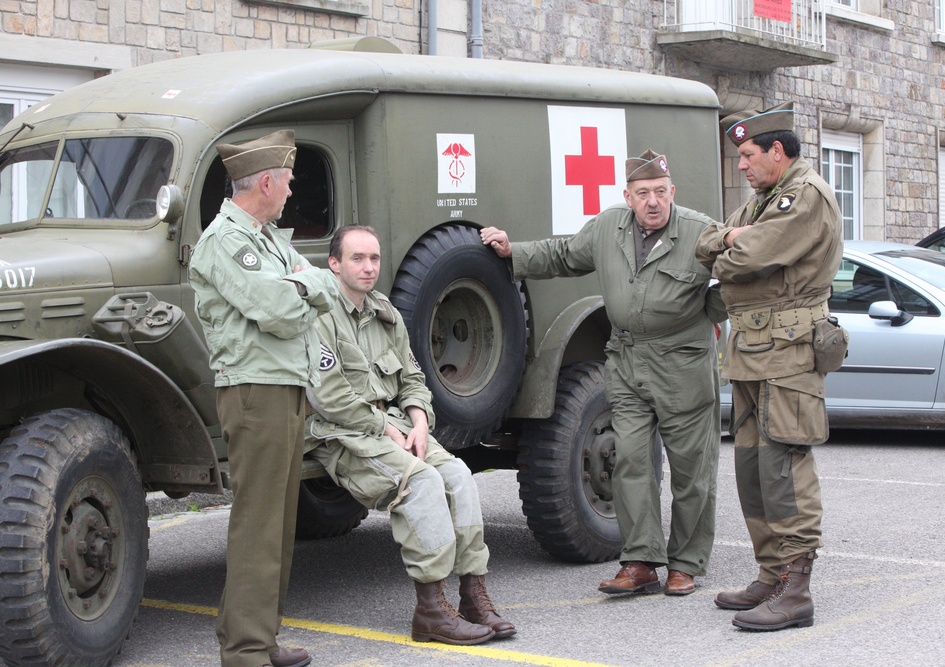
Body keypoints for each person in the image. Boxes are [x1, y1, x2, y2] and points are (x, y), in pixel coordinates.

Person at [481, 150, 725, 597]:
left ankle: (686, 562)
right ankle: (641, 560)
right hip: (628, 360)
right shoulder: (608, 226)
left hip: (683, 363)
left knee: (693, 469)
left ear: (673, 192)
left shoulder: (700, 231)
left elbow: (736, 278)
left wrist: (710, 309)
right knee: (630, 460)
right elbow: (564, 255)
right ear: (627, 196)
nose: (652, 202)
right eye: (642, 193)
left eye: (660, 193)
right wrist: (512, 252)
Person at [304, 224, 516, 645]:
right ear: (334, 264)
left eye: (374, 259)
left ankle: (473, 595)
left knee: (456, 475)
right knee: (420, 484)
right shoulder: (319, 316)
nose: (368, 268)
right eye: (357, 259)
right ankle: (431, 609)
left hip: (398, 426)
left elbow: (414, 377)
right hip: (344, 434)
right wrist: (384, 425)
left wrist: (419, 419)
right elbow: (327, 396)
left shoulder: (384, 313)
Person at [190, 129, 341, 667]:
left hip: (282, 387)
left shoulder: (267, 236)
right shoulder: (227, 240)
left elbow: (316, 282)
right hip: (255, 391)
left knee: (277, 522)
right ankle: (247, 649)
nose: (292, 188)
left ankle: (257, 636)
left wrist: (303, 287)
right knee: (258, 521)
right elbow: (281, 309)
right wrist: (305, 288)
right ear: (268, 182)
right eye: (289, 179)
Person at [695, 101, 843, 631]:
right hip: (754, 351)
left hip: (790, 351)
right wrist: (731, 242)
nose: (741, 165)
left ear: (777, 152)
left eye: (747, 154)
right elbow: (708, 245)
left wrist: (734, 248)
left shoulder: (805, 196)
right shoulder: (763, 200)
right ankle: (771, 574)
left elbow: (743, 259)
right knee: (753, 469)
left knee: (785, 467)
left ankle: (797, 589)